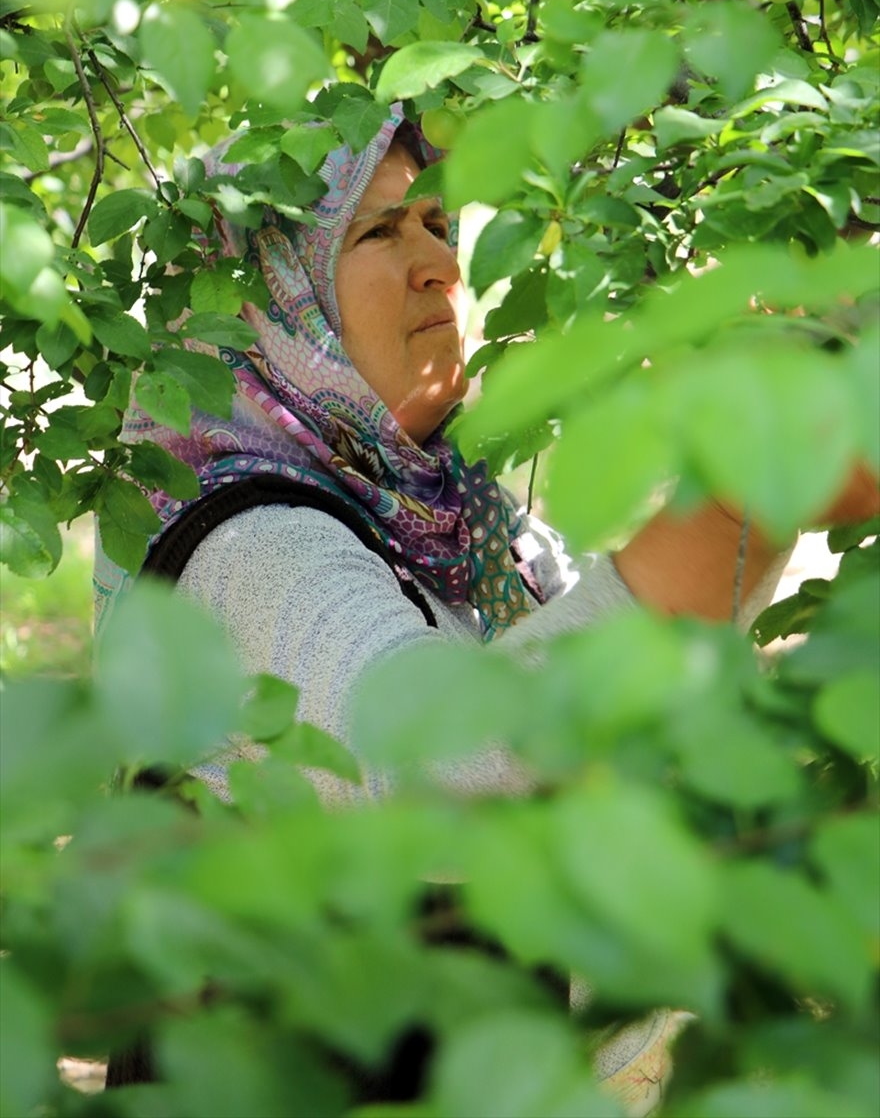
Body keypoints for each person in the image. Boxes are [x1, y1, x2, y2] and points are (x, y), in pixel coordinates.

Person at [94, 103, 876, 1106]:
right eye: (378, 232)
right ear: (264, 303)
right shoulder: (246, 544)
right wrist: (737, 501)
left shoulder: (465, 528)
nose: (438, 264)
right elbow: (445, 760)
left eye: (436, 222)